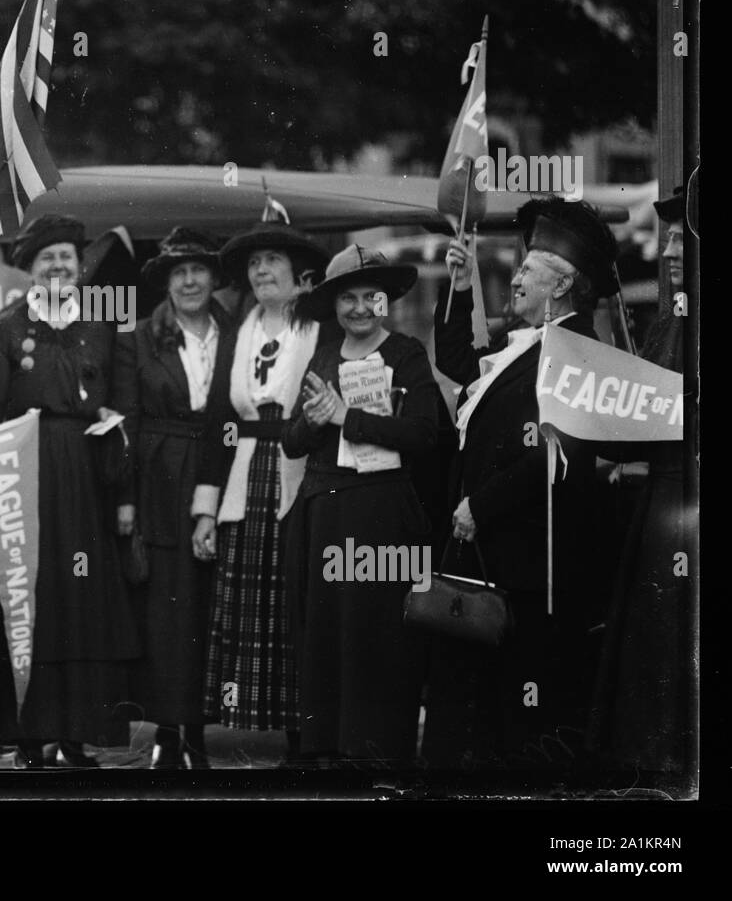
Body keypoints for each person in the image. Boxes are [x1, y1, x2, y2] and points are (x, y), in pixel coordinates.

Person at [423, 199, 619, 769]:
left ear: (562, 286)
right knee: (481, 699)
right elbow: (460, 359)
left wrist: (480, 504)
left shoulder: (579, 351)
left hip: (536, 560)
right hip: (496, 552)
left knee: (522, 704)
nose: (515, 279)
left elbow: (554, 452)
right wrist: (460, 284)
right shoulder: (526, 342)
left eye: (528, 269)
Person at [0, 213, 140, 767]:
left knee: (81, 604)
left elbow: (123, 409)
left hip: (87, 486)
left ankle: (76, 734)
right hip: (22, 485)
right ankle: (30, 739)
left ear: (79, 266)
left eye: (67, 257)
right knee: (30, 603)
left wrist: (121, 487)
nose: (58, 267)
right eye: (47, 259)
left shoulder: (101, 327)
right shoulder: (2, 331)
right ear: (29, 268)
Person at [281, 245, 441, 765]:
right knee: (327, 633)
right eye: (345, 298)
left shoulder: (406, 353)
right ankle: (326, 745)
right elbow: (293, 441)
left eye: (367, 297)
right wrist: (314, 418)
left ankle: (375, 749)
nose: (356, 308)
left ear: (384, 301)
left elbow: (425, 434)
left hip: (380, 515)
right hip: (325, 512)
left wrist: (345, 417)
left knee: (376, 633)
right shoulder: (324, 355)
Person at [191, 220, 328, 763]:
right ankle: (258, 726)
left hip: (301, 471)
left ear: (299, 274)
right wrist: (206, 510)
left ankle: (306, 737)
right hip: (247, 478)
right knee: (254, 608)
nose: (262, 271)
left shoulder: (321, 328)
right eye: (254, 264)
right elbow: (219, 423)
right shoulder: (238, 331)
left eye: (272, 260)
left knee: (298, 603)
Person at [110, 228, 237, 769]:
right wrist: (127, 500)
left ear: (213, 279)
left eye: (198, 270)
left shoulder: (238, 335)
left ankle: (200, 734)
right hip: (159, 482)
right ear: (165, 281)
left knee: (209, 608)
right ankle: (166, 732)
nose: (188, 281)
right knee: (166, 614)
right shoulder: (138, 339)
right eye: (177, 272)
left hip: (222, 472)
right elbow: (126, 425)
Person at [588, 184, 694, 773]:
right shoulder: (665, 323)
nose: (672, 250)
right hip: (663, 499)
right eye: (669, 237)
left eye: (684, 236)